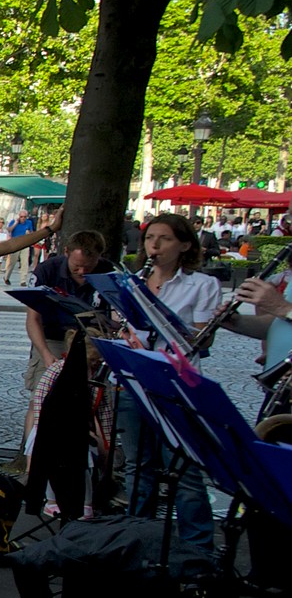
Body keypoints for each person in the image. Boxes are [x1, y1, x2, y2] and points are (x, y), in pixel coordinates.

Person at [116, 212, 222, 551]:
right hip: (137, 380)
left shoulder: (202, 285)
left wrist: (162, 323)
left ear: (185, 245)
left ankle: (197, 548)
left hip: (178, 384)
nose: (154, 246)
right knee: (138, 467)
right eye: (149, 239)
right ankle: (136, 539)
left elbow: (201, 340)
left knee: (185, 470)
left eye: (164, 239)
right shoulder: (133, 282)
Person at [23, 229, 107, 395]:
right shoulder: (46, 270)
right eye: (77, 267)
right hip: (52, 338)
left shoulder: (108, 271)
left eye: (89, 267)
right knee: (42, 396)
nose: (82, 272)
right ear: (66, 252)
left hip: (92, 341)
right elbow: (33, 319)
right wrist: (45, 354)